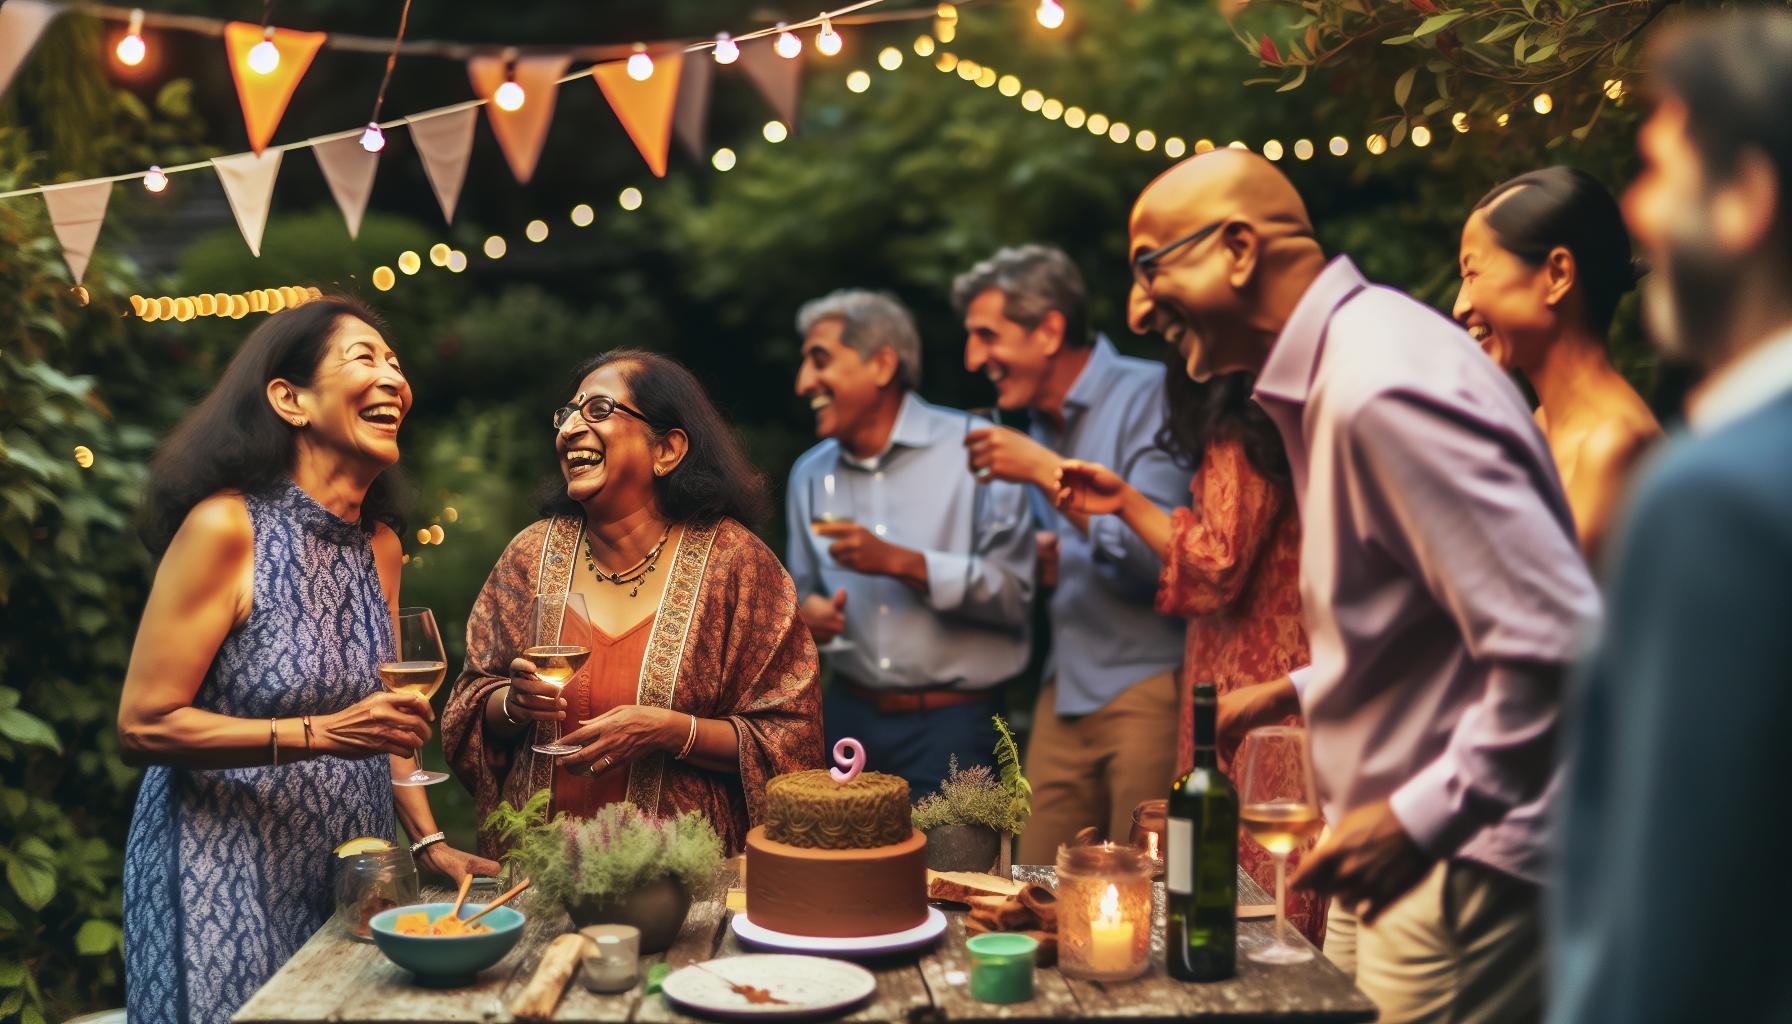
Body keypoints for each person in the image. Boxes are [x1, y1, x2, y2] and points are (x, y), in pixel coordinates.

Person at [1131, 152, 1600, 1021]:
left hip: (1462, 863)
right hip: (1400, 849)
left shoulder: (1383, 382)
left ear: (1239, 250)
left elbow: (1562, 641)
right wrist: (1289, 691)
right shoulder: (1340, 372)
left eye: (1150, 265)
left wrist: (1421, 817)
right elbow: (1426, 622)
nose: (1136, 304)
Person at [118, 298, 496, 1024]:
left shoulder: (379, 545)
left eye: (395, 361)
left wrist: (429, 839)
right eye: (364, 358)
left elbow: (383, 725)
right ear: (290, 399)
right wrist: (319, 734)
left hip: (349, 871)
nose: (393, 377)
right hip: (219, 874)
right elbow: (143, 724)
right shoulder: (225, 527)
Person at [1553, 11, 1792, 1022]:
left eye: (1658, 169)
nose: (1639, 216)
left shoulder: (1716, 498)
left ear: (1745, 200)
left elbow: (1666, 920)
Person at [440, 350, 824, 857]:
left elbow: (792, 736)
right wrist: (511, 704)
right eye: (567, 414)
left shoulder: (737, 565)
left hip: (682, 879)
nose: (571, 427)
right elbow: (465, 710)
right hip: (538, 873)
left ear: (667, 450)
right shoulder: (530, 556)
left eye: (597, 410)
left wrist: (671, 732)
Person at [1055, 369, 1323, 946]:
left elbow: (1214, 566)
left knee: (1255, 871)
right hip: (1254, 670)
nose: (1141, 311)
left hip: (1262, 683)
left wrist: (1124, 502)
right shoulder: (1270, 416)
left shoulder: (1246, 424)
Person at [955, 244, 1190, 861]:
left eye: (987, 335)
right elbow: (1078, 548)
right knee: (1033, 877)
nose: (973, 358)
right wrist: (1040, 558)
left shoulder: (1152, 396)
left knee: (1148, 885)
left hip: (1149, 686)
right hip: (1065, 684)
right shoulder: (1037, 426)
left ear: (1050, 330)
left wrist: (1040, 471)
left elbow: (1164, 562)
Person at [786, 290, 1034, 796]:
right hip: (846, 719)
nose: (803, 383)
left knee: (957, 877)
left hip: (957, 727)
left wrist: (902, 563)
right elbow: (798, 598)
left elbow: (1016, 595)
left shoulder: (980, 448)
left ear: (881, 365)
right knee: (838, 870)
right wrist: (807, 619)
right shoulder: (809, 473)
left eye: (820, 361)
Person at [1453, 166, 1662, 559]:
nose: (1460, 306)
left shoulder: (1613, 446)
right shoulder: (1542, 423)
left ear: (1557, 274)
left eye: (1473, 272)